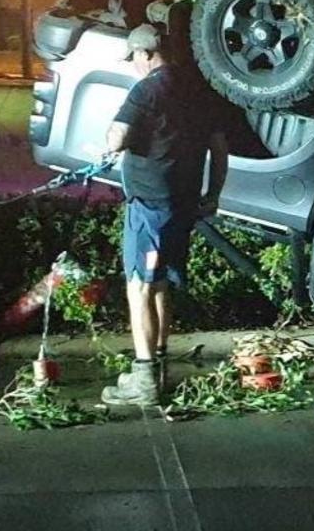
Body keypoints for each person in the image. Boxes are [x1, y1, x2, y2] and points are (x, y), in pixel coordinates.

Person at [101, 23, 229, 406]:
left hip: (150, 208)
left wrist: (110, 144)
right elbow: (220, 148)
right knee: (159, 285)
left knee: (139, 286)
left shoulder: (146, 91)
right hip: (184, 205)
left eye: (134, 59)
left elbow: (118, 137)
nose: (134, 67)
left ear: (146, 54)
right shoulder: (200, 90)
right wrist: (214, 194)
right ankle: (156, 369)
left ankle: (144, 382)